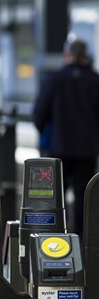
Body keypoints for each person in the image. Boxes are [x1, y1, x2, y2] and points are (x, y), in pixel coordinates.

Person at [33, 38, 99, 236]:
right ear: (86, 56)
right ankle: (82, 243)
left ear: (66, 55)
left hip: (57, 150)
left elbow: (39, 114)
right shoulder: (95, 80)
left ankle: (55, 242)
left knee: (54, 199)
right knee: (84, 198)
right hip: (87, 151)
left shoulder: (54, 79)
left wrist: (48, 135)